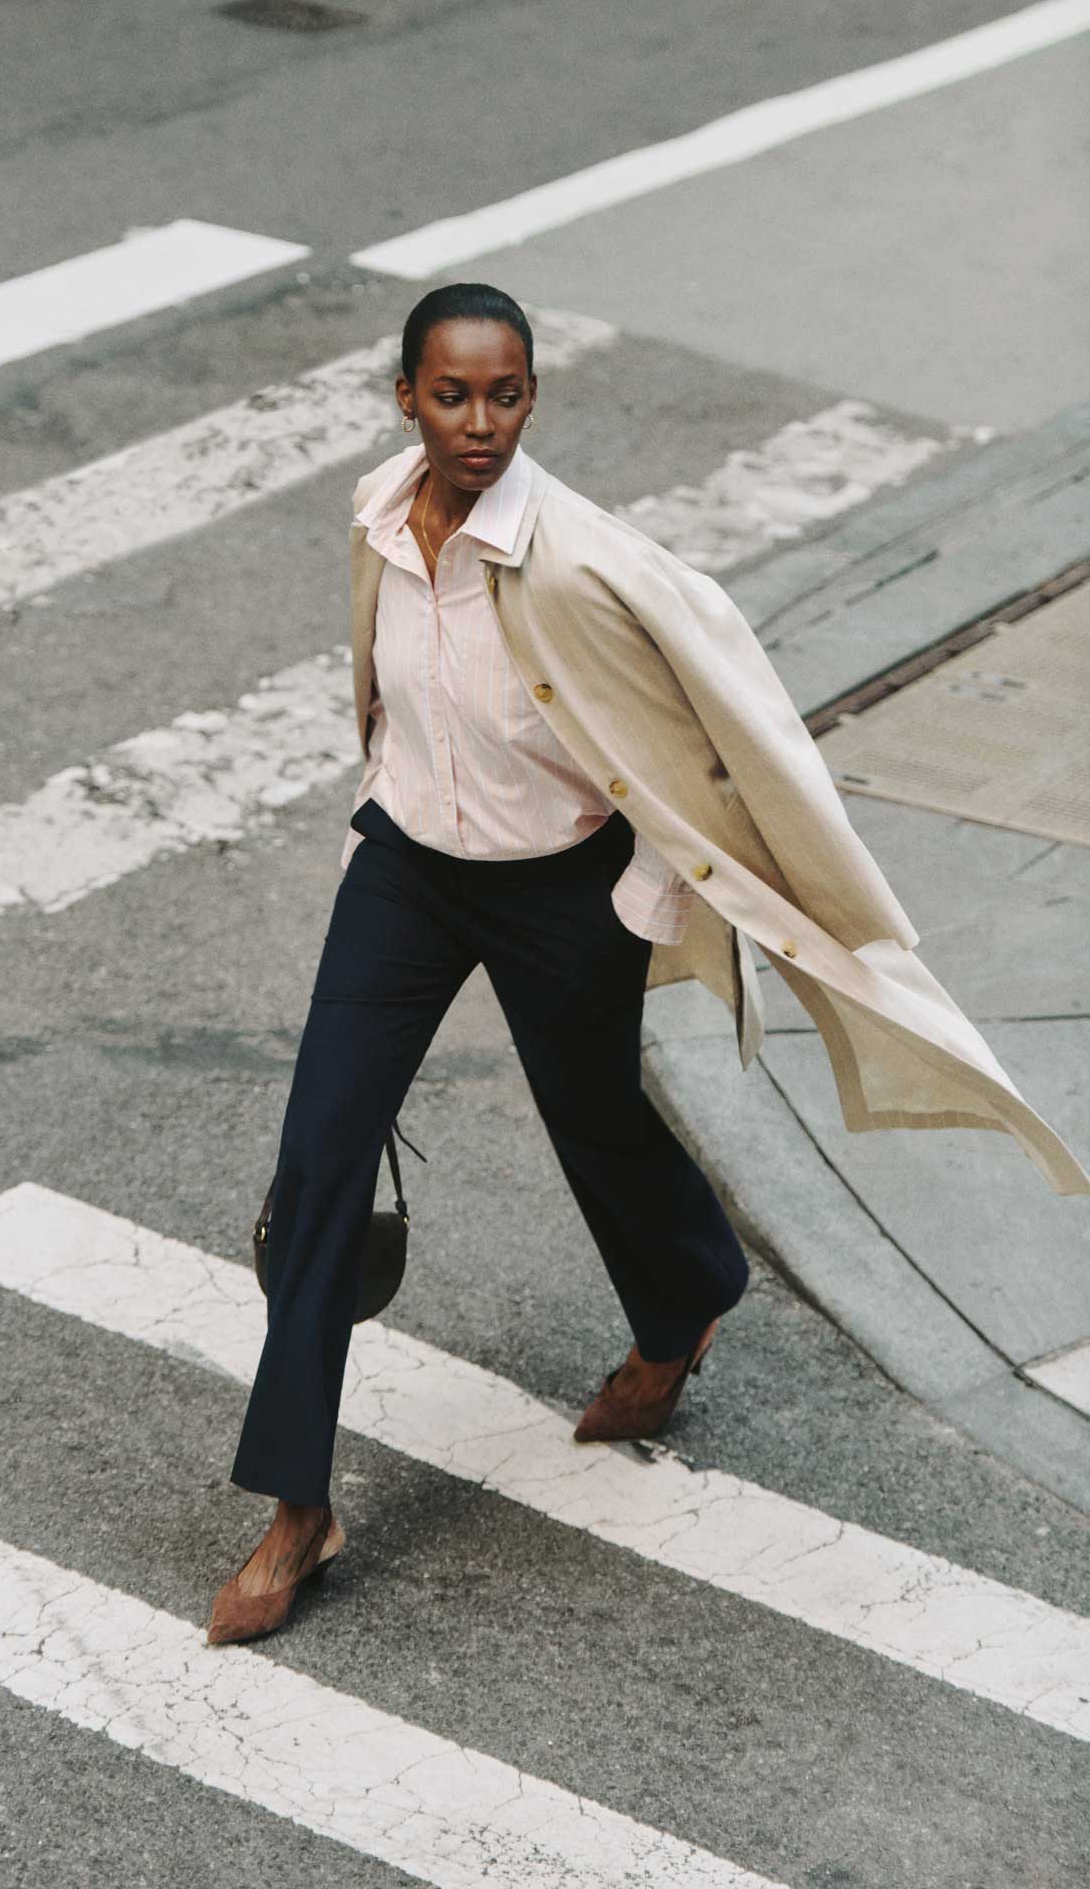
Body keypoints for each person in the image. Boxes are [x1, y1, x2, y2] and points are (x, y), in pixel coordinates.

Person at [206, 282, 1087, 1650]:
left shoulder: (584, 562)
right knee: (320, 1153)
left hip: (561, 890)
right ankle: (296, 1506)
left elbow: (706, 747)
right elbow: (388, 691)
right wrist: (372, 824)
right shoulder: (384, 510)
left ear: (533, 399)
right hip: (405, 875)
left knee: (600, 1125)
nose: (480, 422)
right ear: (406, 400)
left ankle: (680, 1310)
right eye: (452, 394)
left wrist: (640, 901)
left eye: (506, 394)